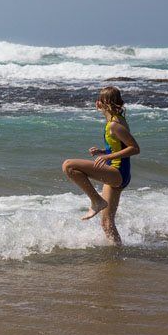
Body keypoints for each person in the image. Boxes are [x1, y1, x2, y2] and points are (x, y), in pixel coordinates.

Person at [62, 86, 140, 245]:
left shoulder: (114, 125)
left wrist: (108, 156)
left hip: (116, 172)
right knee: (106, 223)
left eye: (99, 99)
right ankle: (117, 255)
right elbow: (120, 146)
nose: (96, 102)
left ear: (105, 103)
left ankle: (96, 201)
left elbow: (135, 148)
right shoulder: (115, 121)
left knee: (68, 166)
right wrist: (103, 151)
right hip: (119, 174)